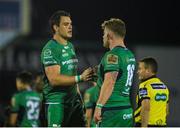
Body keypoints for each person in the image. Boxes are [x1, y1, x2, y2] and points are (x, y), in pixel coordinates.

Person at [40, 10, 92, 127]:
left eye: (70, 24)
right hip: (57, 103)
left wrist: (80, 99)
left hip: (74, 102)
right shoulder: (50, 49)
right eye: (65, 24)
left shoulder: (70, 46)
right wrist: (80, 77)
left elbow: (71, 75)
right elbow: (54, 79)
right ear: (56, 27)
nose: (70, 27)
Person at [94, 18, 136, 127]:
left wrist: (99, 106)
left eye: (104, 34)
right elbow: (119, 78)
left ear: (109, 35)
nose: (103, 37)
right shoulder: (130, 55)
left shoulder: (112, 55)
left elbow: (110, 82)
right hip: (126, 109)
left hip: (111, 111)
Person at [134, 57, 169, 127]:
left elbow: (146, 108)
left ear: (148, 70)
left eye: (140, 69)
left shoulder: (144, 86)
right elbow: (167, 110)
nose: (138, 72)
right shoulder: (164, 87)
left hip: (146, 124)